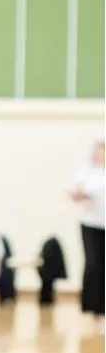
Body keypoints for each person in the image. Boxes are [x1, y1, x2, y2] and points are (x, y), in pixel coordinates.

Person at [69, 139, 106, 325]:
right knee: (93, 263)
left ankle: (103, 306)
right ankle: (90, 305)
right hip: (90, 223)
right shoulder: (87, 172)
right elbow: (75, 194)